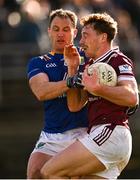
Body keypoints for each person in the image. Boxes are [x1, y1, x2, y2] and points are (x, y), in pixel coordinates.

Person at [41, 12, 139, 179]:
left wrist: (99, 89)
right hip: (105, 138)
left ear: (102, 37)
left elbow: (132, 97)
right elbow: (74, 106)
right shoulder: (88, 66)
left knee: (49, 171)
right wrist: (72, 69)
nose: (81, 42)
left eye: (85, 36)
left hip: (110, 132)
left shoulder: (117, 59)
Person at [26, 9, 88, 179]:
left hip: (83, 133)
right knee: (34, 173)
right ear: (49, 32)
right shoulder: (39, 62)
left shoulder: (88, 58)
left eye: (66, 29)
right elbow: (41, 91)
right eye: (56, 29)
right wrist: (70, 81)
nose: (61, 34)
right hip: (52, 135)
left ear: (75, 32)